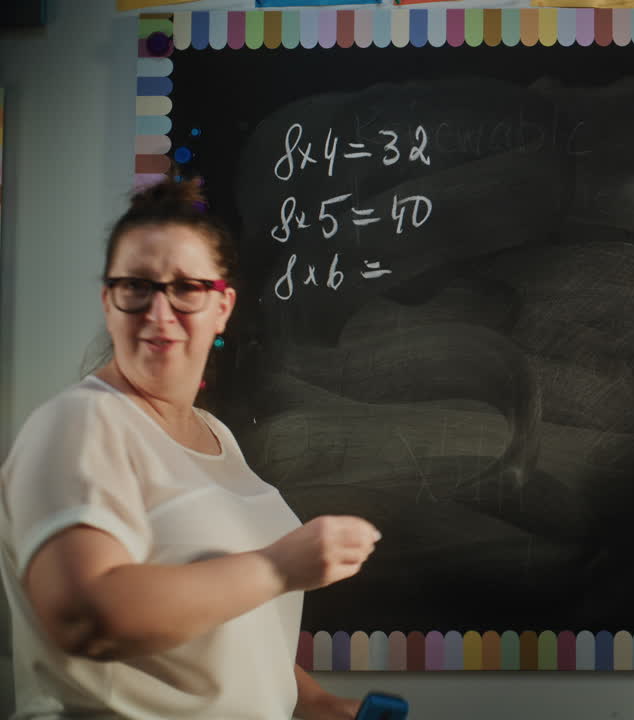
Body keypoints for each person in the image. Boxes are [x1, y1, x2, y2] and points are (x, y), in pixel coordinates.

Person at [0, 178, 381, 719]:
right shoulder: (79, 422)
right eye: (137, 286)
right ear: (108, 302)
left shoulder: (213, 434)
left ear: (222, 305)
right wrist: (278, 567)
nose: (160, 313)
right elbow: (83, 617)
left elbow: (214, 617)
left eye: (186, 288)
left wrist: (312, 702)